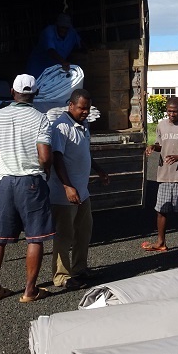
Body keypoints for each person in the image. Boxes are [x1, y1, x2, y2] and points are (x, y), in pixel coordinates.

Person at [0, 74, 55, 303]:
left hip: (5, 182)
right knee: (35, 238)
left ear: (13, 93)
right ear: (35, 95)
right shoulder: (41, 119)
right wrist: (48, 172)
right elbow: (44, 155)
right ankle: (29, 291)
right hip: (31, 182)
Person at [48, 88, 110, 290]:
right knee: (64, 236)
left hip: (82, 191)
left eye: (88, 109)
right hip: (65, 194)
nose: (85, 112)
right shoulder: (61, 127)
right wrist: (68, 187)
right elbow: (56, 158)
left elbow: (85, 153)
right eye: (82, 108)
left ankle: (79, 269)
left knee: (84, 232)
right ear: (71, 105)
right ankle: (62, 277)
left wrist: (99, 170)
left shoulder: (83, 126)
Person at [142, 96, 178, 260]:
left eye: (175, 111)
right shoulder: (161, 125)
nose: (171, 114)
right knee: (161, 210)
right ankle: (161, 242)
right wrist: (153, 147)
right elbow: (161, 145)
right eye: (169, 111)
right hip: (165, 174)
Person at [27, 12, 85, 78]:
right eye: (62, 27)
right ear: (57, 25)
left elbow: (80, 44)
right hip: (39, 68)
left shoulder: (72, 32)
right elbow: (51, 50)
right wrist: (63, 62)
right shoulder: (49, 31)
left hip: (56, 70)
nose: (64, 30)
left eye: (66, 28)